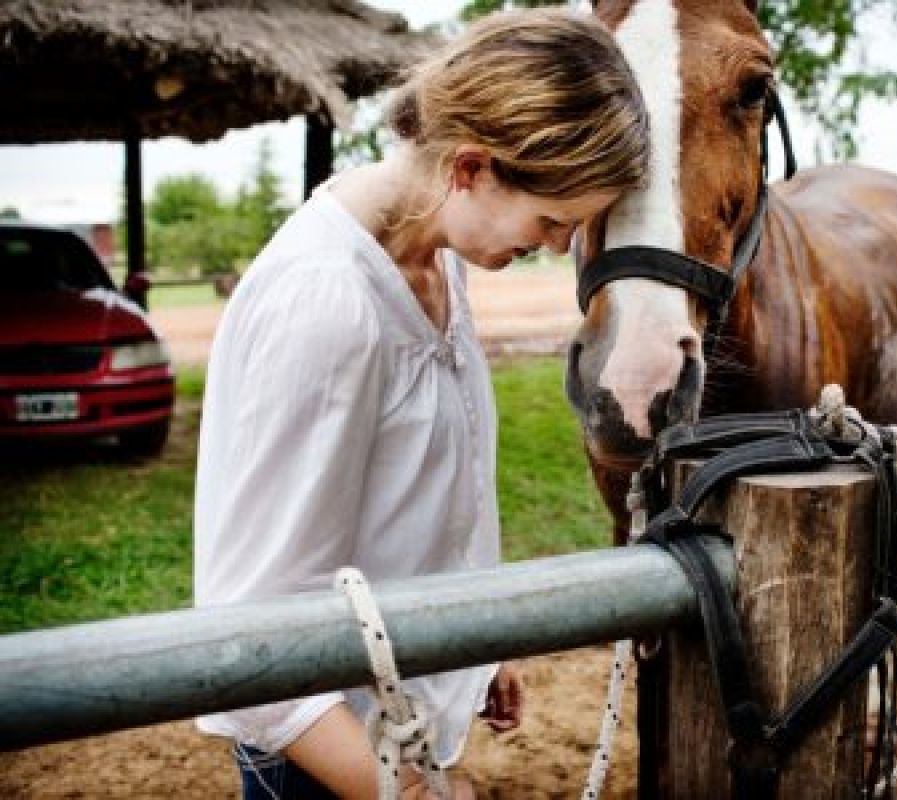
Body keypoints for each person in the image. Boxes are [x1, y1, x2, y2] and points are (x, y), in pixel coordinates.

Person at [192, 9, 648, 799]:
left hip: (397, 718)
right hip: (325, 755)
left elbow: (429, 490)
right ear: (469, 167)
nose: (553, 246)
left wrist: (473, 646)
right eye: (552, 220)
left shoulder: (439, 258)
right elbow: (252, 642)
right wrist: (401, 789)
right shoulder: (327, 302)